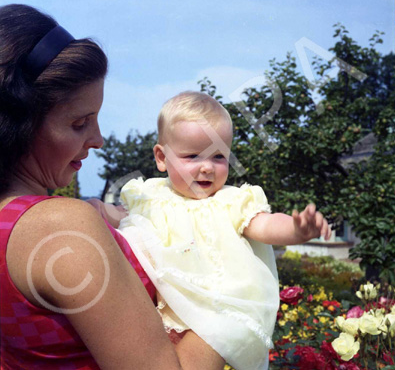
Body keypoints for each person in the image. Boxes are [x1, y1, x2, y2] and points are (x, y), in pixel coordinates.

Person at [0, 4, 225, 370]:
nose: (99, 139)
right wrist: (232, 285)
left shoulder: (11, 224)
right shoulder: (60, 226)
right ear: (20, 125)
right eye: (79, 123)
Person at [97, 91, 332, 370]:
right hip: (157, 310)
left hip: (216, 314)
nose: (207, 167)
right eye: (192, 155)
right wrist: (93, 210)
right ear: (162, 157)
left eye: (218, 156)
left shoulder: (231, 201)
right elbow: (121, 217)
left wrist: (296, 229)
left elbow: (264, 224)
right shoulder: (148, 195)